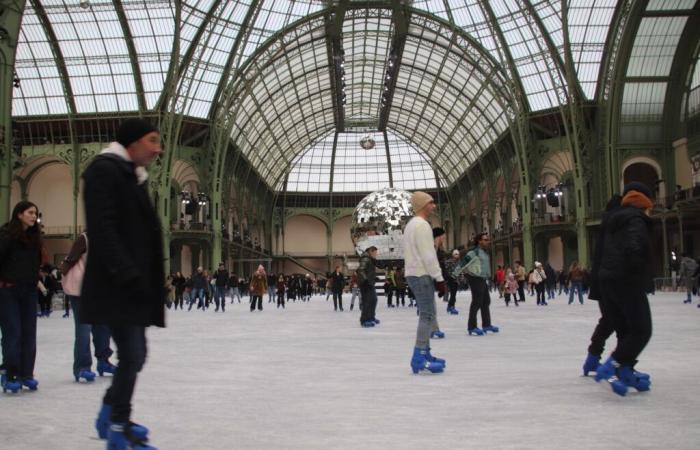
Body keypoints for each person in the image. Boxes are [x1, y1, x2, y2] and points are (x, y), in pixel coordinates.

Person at [81, 118, 164, 448]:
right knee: (131, 354)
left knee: (136, 355)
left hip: (132, 285)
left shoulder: (132, 176)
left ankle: (112, 411)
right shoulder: (104, 170)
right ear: (132, 142)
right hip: (116, 284)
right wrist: (126, 272)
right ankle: (117, 425)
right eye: (152, 140)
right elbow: (103, 228)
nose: (158, 149)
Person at [595, 182, 655, 396]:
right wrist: (640, 271)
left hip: (607, 279)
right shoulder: (635, 219)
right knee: (641, 330)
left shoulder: (613, 218)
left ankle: (625, 369)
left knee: (626, 330)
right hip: (627, 279)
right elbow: (635, 246)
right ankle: (613, 365)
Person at [0, 201, 44, 394]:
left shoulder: (35, 238)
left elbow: (36, 264)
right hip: (8, 290)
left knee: (29, 333)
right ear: (19, 214)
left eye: (36, 213)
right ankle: (10, 374)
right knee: (14, 333)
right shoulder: (6, 235)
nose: (34, 216)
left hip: (28, 291)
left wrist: (35, 281)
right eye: (30, 213)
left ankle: (27, 373)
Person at [403, 192, 446, 374]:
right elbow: (428, 255)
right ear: (422, 205)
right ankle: (419, 357)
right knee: (427, 314)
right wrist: (439, 278)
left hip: (415, 273)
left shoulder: (412, 225)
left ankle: (425, 352)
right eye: (431, 203)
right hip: (421, 274)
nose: (434, 206)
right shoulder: (422, 226)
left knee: (428, 313)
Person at [460, 233, 499, 336]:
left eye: (488, 240)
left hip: (482, 279)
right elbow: (463, 264)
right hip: (475, 279)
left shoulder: (484, 252)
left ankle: (486, 325)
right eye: (485, 240)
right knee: (476, 302)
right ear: (479, 241)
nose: (487, 241)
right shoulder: (474, 252)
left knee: (486, 301)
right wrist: (470, 274)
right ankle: (472, 327)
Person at [358, 246, 379, 327]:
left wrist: (374, 278)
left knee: (373, 300)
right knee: (367, 301)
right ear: (371, 251)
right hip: (365, 283)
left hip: (370, 282)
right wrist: (366, 280)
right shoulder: (365, 258)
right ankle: (364, 320)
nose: (376, 254)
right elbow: (361, 270)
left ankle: (371, 317)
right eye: (375, 253)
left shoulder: (370, 259)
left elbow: (369, 271)